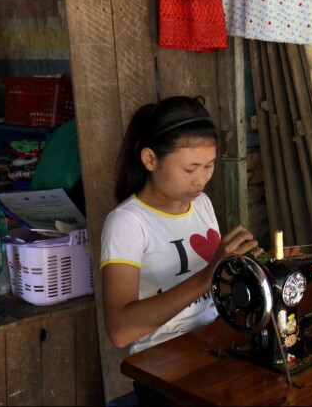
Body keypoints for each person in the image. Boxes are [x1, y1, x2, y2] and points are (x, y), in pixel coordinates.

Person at [100, 96, 259, 405]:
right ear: (150, 160)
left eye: (209, 165)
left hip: (214, 343)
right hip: (161, 370)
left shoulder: (201, 203)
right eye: (190, 168)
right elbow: (119, 331)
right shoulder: (127, 223)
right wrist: (208, 274)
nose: (201, 178)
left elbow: (217, 285)